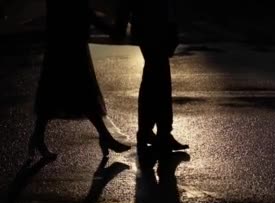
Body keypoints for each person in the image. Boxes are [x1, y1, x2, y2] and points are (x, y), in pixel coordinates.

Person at [29, 0, 130, 159]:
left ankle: (38, 138)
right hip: (69, 48)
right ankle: (105, 137)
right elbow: (82, 13)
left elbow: (81, 13)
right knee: (81, 93)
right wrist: (112, 27)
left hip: (64, 47)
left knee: (62, 94)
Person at [113, 0, 189, 152]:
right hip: (152, 26)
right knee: (159, 79)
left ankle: (150, 131)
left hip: (151, 25)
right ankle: (159, 132)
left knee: (153, 78)